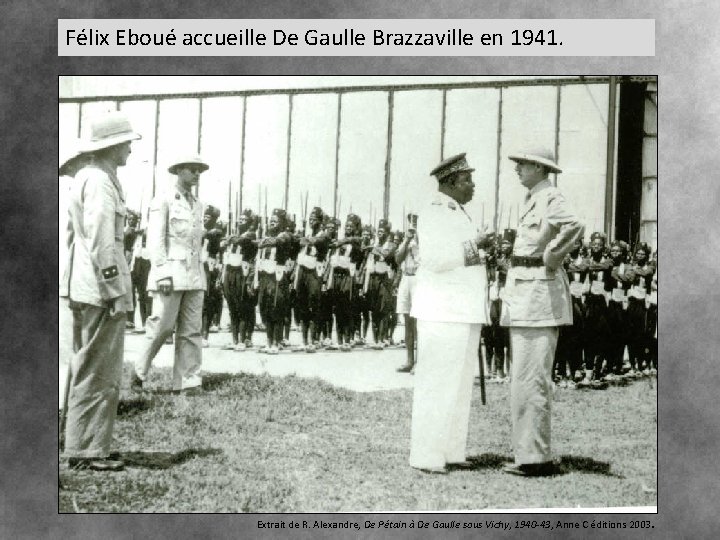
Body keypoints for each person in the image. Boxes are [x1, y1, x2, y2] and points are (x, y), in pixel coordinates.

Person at [59, 111, 141, 471]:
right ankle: (86, 450)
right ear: (111, 146)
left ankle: (79, 443)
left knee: (84, 365)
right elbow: (101, 240)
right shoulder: (100, 181)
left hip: (85, 285)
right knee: (99, 369)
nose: (129, 150)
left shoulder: (91, 177)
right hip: (100, 289)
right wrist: (112, 288)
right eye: (126, 143)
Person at [500, 147, 584, 477]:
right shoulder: (534, 198)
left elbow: (575, 226)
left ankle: (535, 458)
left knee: (532, 379)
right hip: (526, 296)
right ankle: (528, 453)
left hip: (539, 298)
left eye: (521, 164)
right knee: (523, 379)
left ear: (538, 167)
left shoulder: (550, 196)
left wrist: (552, 257)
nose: (517, 169)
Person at [409, 153, 490, 474]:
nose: (473, 185)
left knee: (458, 387)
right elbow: (435, 259)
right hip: (442, 311)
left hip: (463, 310)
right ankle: (427, 455)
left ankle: (452, 451)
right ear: (451, 182)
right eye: (467, 179)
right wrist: (475, 245)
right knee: (437, 384)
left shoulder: (457, 212)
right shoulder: (434, 212)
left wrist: (478, 247)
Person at [131, 155, 209, 393]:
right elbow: (155, 239)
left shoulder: (198, 203)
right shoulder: (163, 200)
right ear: (178, 171)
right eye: (192, 169)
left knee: (191, 330)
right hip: (170, 274)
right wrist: (162, 273)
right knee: (161, 326)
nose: (196, 174)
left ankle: (188, 381)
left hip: (194, 275)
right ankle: (138, 372)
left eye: (199, 170)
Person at [395, 214, 419, 372]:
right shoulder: (407, 238)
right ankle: (409, 360)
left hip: (419, 278)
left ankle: (420, 361)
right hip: (406, 278)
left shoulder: (424, 238)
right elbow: (397, 259)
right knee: (407, 320)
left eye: (415, 221)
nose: (413, 224)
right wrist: (406, 240)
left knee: (419, 322)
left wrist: (417, 242)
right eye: (410, 221)